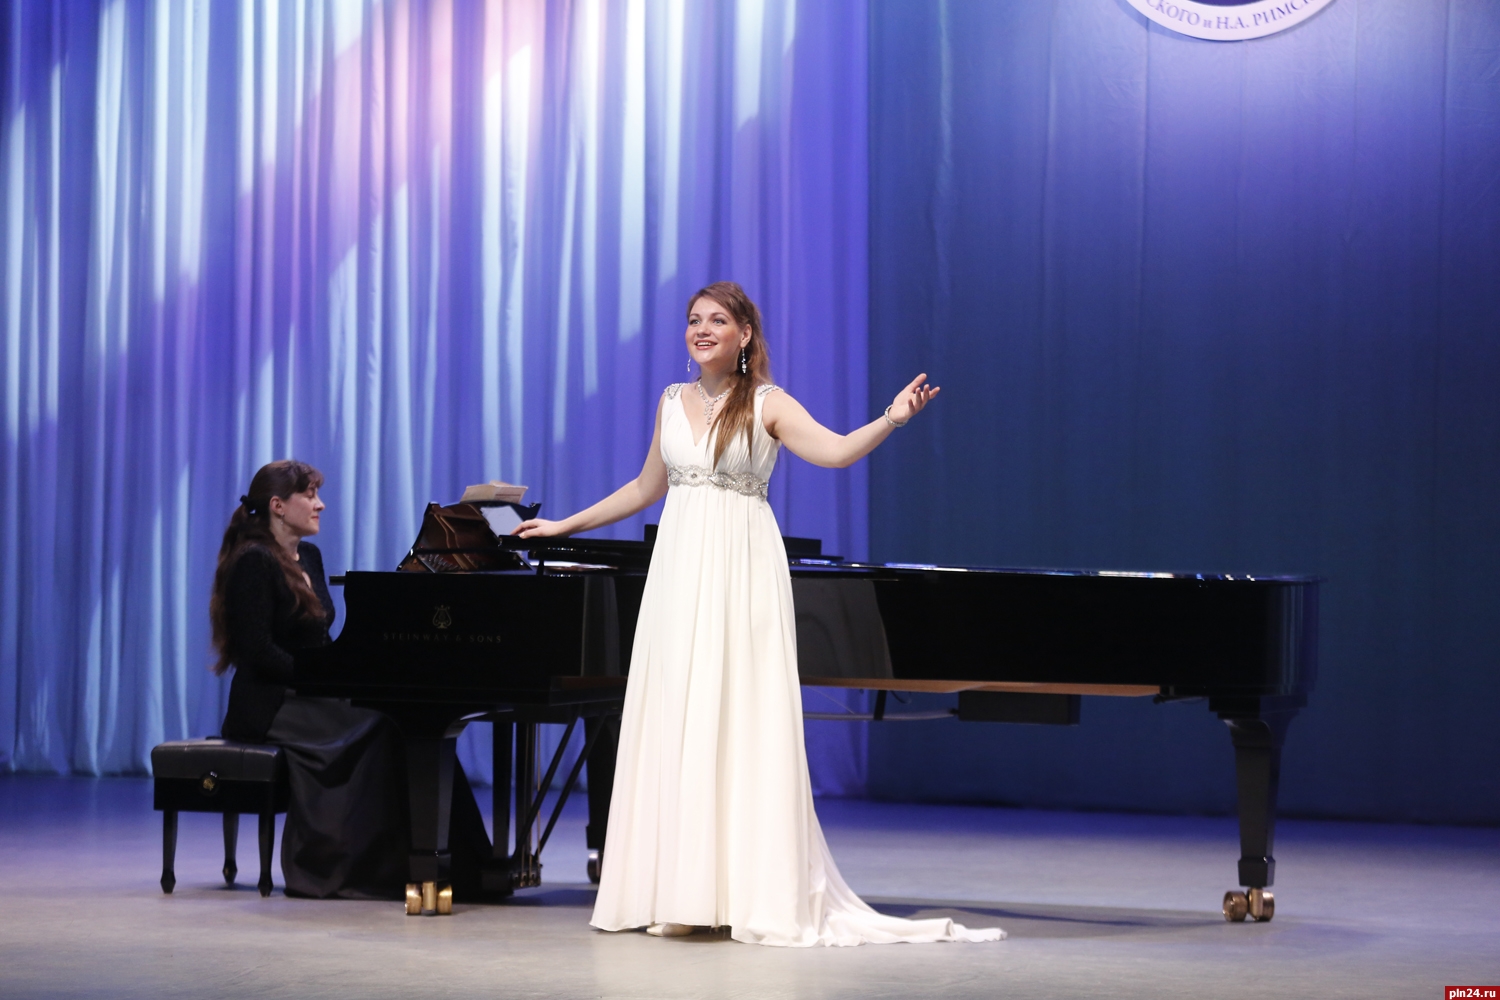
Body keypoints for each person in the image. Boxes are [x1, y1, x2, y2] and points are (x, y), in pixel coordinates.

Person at [515, 282, 1003, 946]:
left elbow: (834, 451)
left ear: (745, 333)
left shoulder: (768, 402)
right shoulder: (671, 401)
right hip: (678, 574)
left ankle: (744, 891)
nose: (702, 329)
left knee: (738, 713)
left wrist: (891, 418)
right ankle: (682, 892)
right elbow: (645, 487)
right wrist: (563, 526)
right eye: (694, 319)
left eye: (717, 320)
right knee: (681, 711)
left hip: (741, 570)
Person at [210, 459, 489, 900]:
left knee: (407, 720)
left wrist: (348, 674)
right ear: (278, 506)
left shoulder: (310, 557)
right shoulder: (253, 561)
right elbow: (257, 651)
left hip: (309, 694)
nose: (320, 505)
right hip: (271, 704)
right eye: (310, 495)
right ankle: (355, 867)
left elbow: (321, 640)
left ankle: (462, 867)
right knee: (382, 724)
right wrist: (321, 678)